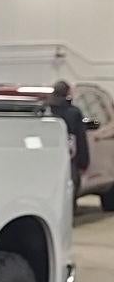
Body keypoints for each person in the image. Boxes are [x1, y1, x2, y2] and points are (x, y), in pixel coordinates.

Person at [51, 80, 90, 211]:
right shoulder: (74, 113)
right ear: (68, 93)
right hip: (69, 157)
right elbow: (81, 140)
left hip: (49, 156)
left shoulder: (46, 110)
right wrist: (84, 162)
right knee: (70, 188)